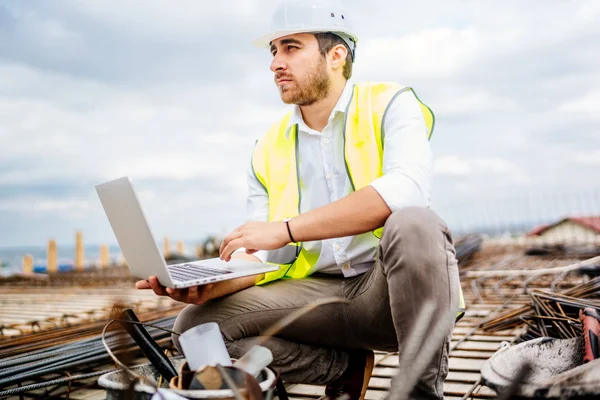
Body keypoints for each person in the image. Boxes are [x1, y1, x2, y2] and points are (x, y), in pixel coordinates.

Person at [136, 1, 464, 399]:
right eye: (273, 51)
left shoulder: (391, 104)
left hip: (390, 298)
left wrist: (287, 230)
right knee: (193, 328)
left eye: (291, 48)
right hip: (317, 299)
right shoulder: (268, 146)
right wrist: (207, 286)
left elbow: (405, 191)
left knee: (415, 224)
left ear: (336, 55)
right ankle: (343, 368)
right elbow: (259, 256)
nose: (276, 63)